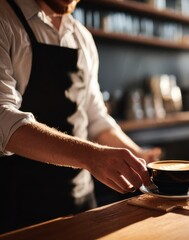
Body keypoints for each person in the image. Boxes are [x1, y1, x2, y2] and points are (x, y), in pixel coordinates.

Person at [0, 0, 160, 233]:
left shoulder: (81, 36)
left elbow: (95, 117)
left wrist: (138, 156)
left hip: (79, 199)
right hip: (17, 205)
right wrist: (91, 156)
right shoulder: (5, 18)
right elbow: (2, 117)